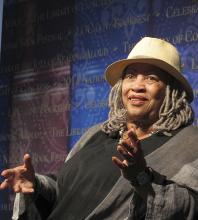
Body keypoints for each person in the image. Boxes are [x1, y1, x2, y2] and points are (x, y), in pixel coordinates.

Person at [0, 37, 198, 220]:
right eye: (130, 76)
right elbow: (64, 192)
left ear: (171, 91)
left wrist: (141, 177)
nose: (137, 86)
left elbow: (188, 208)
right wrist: (35, 185)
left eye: (151, 78)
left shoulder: (189, 144)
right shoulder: (97, 134)